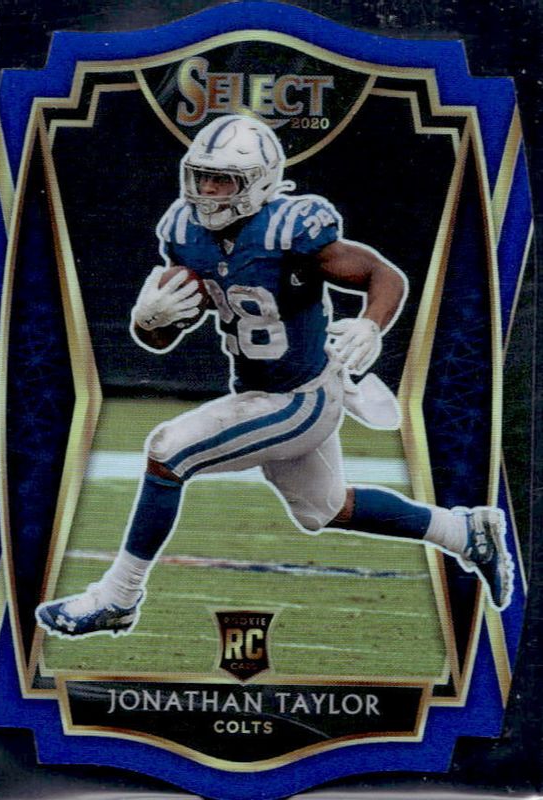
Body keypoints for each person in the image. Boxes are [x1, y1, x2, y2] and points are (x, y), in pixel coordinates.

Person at [36, 115, 513, 639]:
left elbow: (383, 275)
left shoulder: (290, 228)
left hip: (301, 398)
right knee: (324, 509)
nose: (207, 190)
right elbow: (161, 338)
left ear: (258, 182)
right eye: (202, 176)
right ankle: (465, 532)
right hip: (261, 394)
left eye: (223, 180)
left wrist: (371, 325)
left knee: (169, 450)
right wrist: (148, 320)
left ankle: (118, 598)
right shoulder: (185, 233)